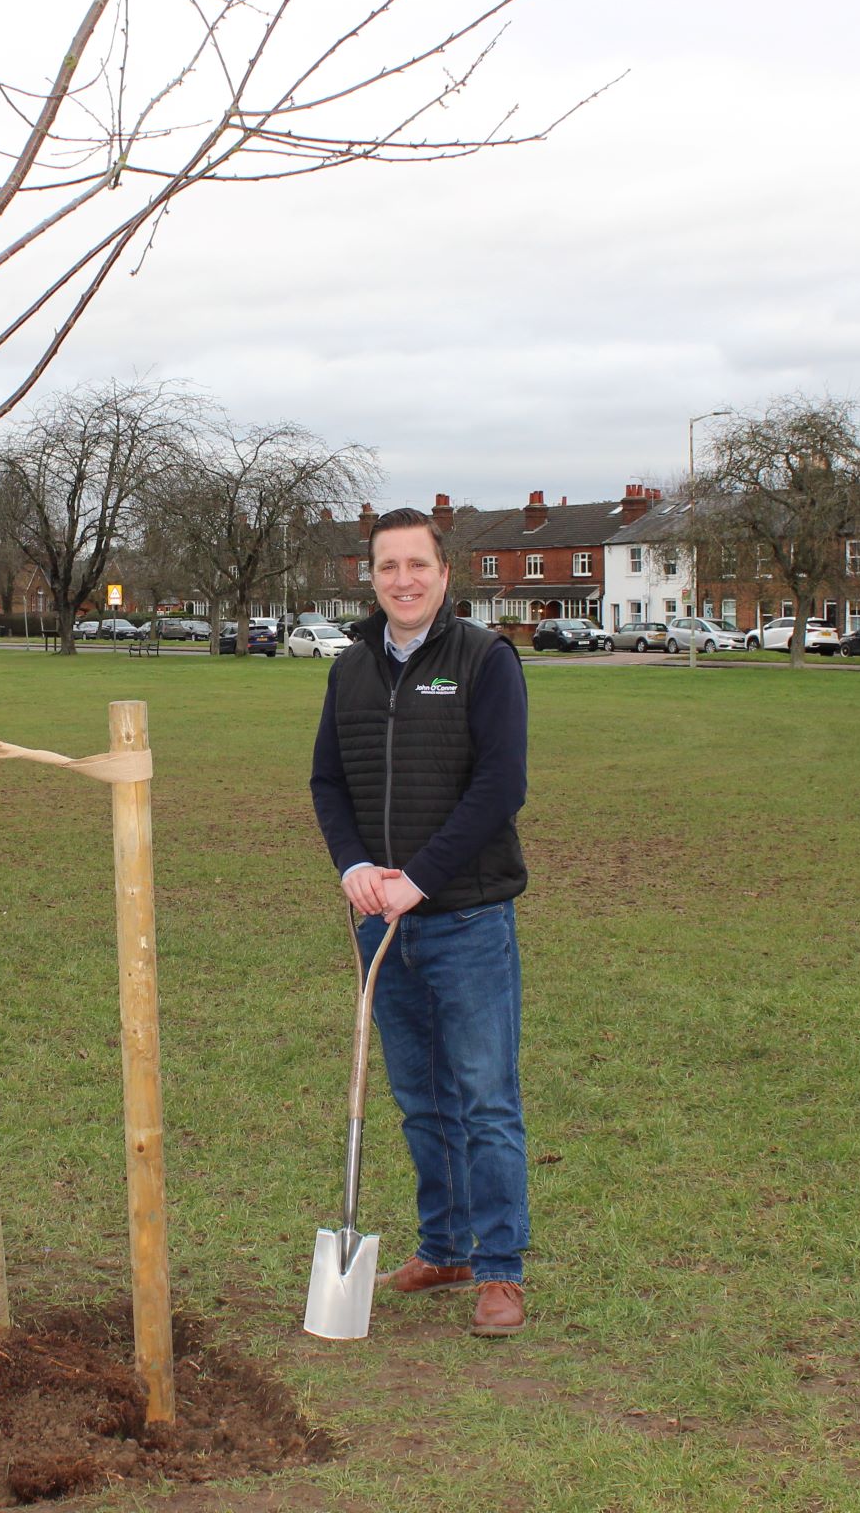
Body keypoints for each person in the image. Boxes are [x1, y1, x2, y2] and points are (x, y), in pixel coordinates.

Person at [308, 507, 531, 1336]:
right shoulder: (351, 668)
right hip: (381, 924)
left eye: (418, 565)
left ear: (444, 574)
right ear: (369, 577)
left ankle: (501, 1269)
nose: (402, 579)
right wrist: (356, 868)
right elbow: (328, 783)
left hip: (465, 918)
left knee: (482, 1098)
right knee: (419, 1101)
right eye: (386, 566)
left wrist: (422, 880)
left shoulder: (484, 661)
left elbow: (499, 787)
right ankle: (443, 1248)